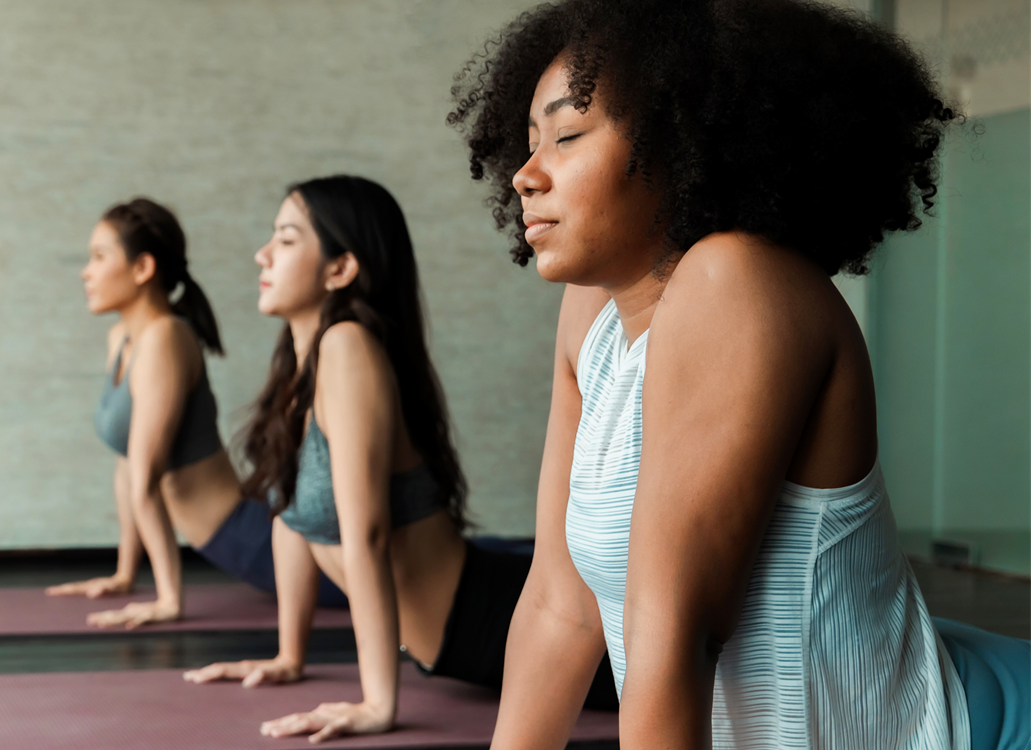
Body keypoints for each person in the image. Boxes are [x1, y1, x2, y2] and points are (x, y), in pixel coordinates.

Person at [446, 1, 1029, 748]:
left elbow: (675, 635)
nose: (526, 175)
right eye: (529, 143)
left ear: (681, 141)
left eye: (566, 135)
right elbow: (563, 606)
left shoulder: (737, 284)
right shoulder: (591, 314)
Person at [183, 176, 618, 742]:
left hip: (497, 621)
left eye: (287, 240)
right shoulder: (302, 363)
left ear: (341, 269)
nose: (262, 253)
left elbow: (366, 533)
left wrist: (376, 703)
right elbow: (292, 518)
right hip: (464, 639)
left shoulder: (347, 346)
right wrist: (290, 656)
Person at [50, 198, 345, 628]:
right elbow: (128, 464)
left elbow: (147, 479)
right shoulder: (122, 340)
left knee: (413, 576)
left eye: (99, 257)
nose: (86, 272)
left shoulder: (165, 338)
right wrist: (125, 573)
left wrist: (169, 600)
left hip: (249, 541)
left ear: (142, 268)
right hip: (235, 542)